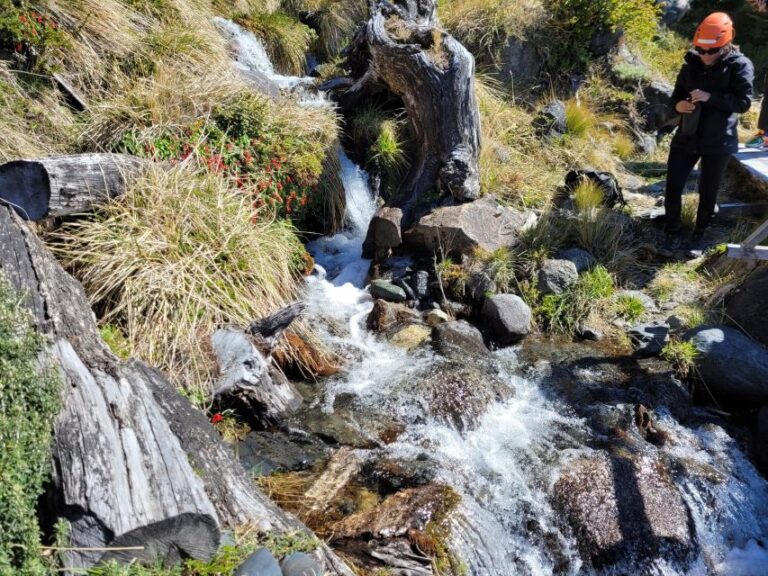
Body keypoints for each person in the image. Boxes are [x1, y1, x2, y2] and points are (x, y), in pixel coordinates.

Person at [662, 12, 754, 257]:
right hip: (686, 136)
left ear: (726, 44)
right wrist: (678, 106)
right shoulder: (690, 65)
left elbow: (744, 102)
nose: (704, 56)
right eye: (700, 50)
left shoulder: (740, 66)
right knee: (673, 186)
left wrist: (710, 98)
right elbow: (676, 98)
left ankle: (699, 235)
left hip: (719, 140)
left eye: (710, 51)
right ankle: (672, 232)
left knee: (708, 190)